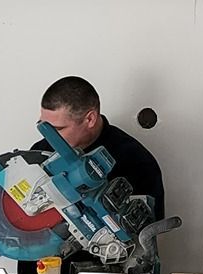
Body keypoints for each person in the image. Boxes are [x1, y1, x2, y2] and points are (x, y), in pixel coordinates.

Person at [36, 75, 165, 221]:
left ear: (90, 119)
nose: (49, 137)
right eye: (43, 127)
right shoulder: (40, 152)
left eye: (57, 129)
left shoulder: (137, 162)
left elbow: (149, 234)